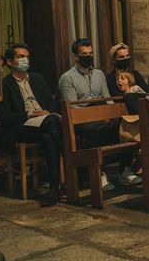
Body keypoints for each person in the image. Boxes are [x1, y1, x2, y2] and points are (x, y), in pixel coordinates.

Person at [59, 38, 141, 190]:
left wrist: (113, 115)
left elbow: (107, 98)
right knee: (100, 130)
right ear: (76, 56)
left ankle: (124, 170)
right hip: (80, 119)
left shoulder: (99, 74)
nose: (88, 56)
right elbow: (72, 109)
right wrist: (95, 113)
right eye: (84, 54)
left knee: (123, 125)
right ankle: (99, 174)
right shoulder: (67, 78)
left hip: (100, 114)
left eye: (90, 53)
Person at [0, 43, 63, 206]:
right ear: (10, 62)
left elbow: (51, 102)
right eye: (20, 57)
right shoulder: (4, 85)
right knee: (55, 123)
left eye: (27, 56)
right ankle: (71, 170)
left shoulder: (38, 79)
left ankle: (54, 188)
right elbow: (5, 117)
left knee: (49, 135)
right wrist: (31, 114)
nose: (25, 59)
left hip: (45, 123)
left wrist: (47, 112)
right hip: (21, 127)